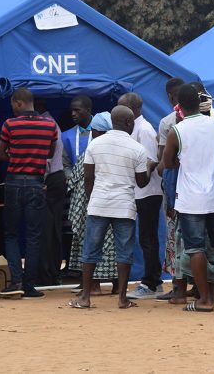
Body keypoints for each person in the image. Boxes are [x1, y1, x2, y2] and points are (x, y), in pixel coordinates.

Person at [162, 84, 214, 312]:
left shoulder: (178, 130)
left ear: (180, 107)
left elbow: (167, 162)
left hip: (190, 199)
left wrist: (182, 162)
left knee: (195, 249)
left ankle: (205, 299)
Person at [69, 106, 149, 310]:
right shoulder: (137, 148)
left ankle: (86, 297)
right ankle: (122, 298)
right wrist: (149, 167)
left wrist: (91, 199)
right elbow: (141, 183)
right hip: (124, 207)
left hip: (98, 204)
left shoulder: (95, 145)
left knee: (90, 251)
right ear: (129, 123)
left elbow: (88, 177)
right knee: (124, 253)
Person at [0, 87, 59, 298]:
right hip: (36, 183)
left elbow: (0, 154)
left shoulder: (9, 124)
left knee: (12, 234)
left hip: (14, 183)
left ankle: (15, 280)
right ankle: (30, 286)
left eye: (13, 105)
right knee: (34, 235)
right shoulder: (50, 125)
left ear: (18, 103)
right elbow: (50, 152)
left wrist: (15, 155)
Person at [118, 93, 165, 299]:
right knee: (145, 237)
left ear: (133, 108)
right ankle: (154, 281)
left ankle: (151, 283)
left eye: (122, 107)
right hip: (137, 191)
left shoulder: (144, 129)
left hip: (148, 191)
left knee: (148, 238)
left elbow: (151, 160)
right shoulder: (132, 128)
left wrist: (141, 180)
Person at [66, 112, 119, 296]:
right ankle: (117, 285)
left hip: (95, 204)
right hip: (118, 204)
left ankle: (94, 286)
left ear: (96, 131)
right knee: (114, 245)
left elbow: (81, 180)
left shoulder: (93, 148)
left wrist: (87, 202)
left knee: (94, 243)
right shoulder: (120, 148)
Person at [156, 77, 186, 301]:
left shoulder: (168, 123)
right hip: (201, 189)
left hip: (176, 187)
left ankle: (178, 286)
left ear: (169, 97)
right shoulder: (211, 120)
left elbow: (163, 163)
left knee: (174, 237)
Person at [34, 98, 67, 287]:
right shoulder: (51, 124)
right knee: (52, 229)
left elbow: (48, 157)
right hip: (55, 178)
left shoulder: (48, 125)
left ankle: (47, 274)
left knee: (47, 229)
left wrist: (43, 180)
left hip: (50, 180)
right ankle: (50, 272)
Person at [61, 95, 93, 179]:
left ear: (88, 110)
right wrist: (74, 179)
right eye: (72, 110)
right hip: (75, 185)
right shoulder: (66, 136)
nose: (73, 114)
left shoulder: (103, 131)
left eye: (77, 110)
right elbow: (65, 164)